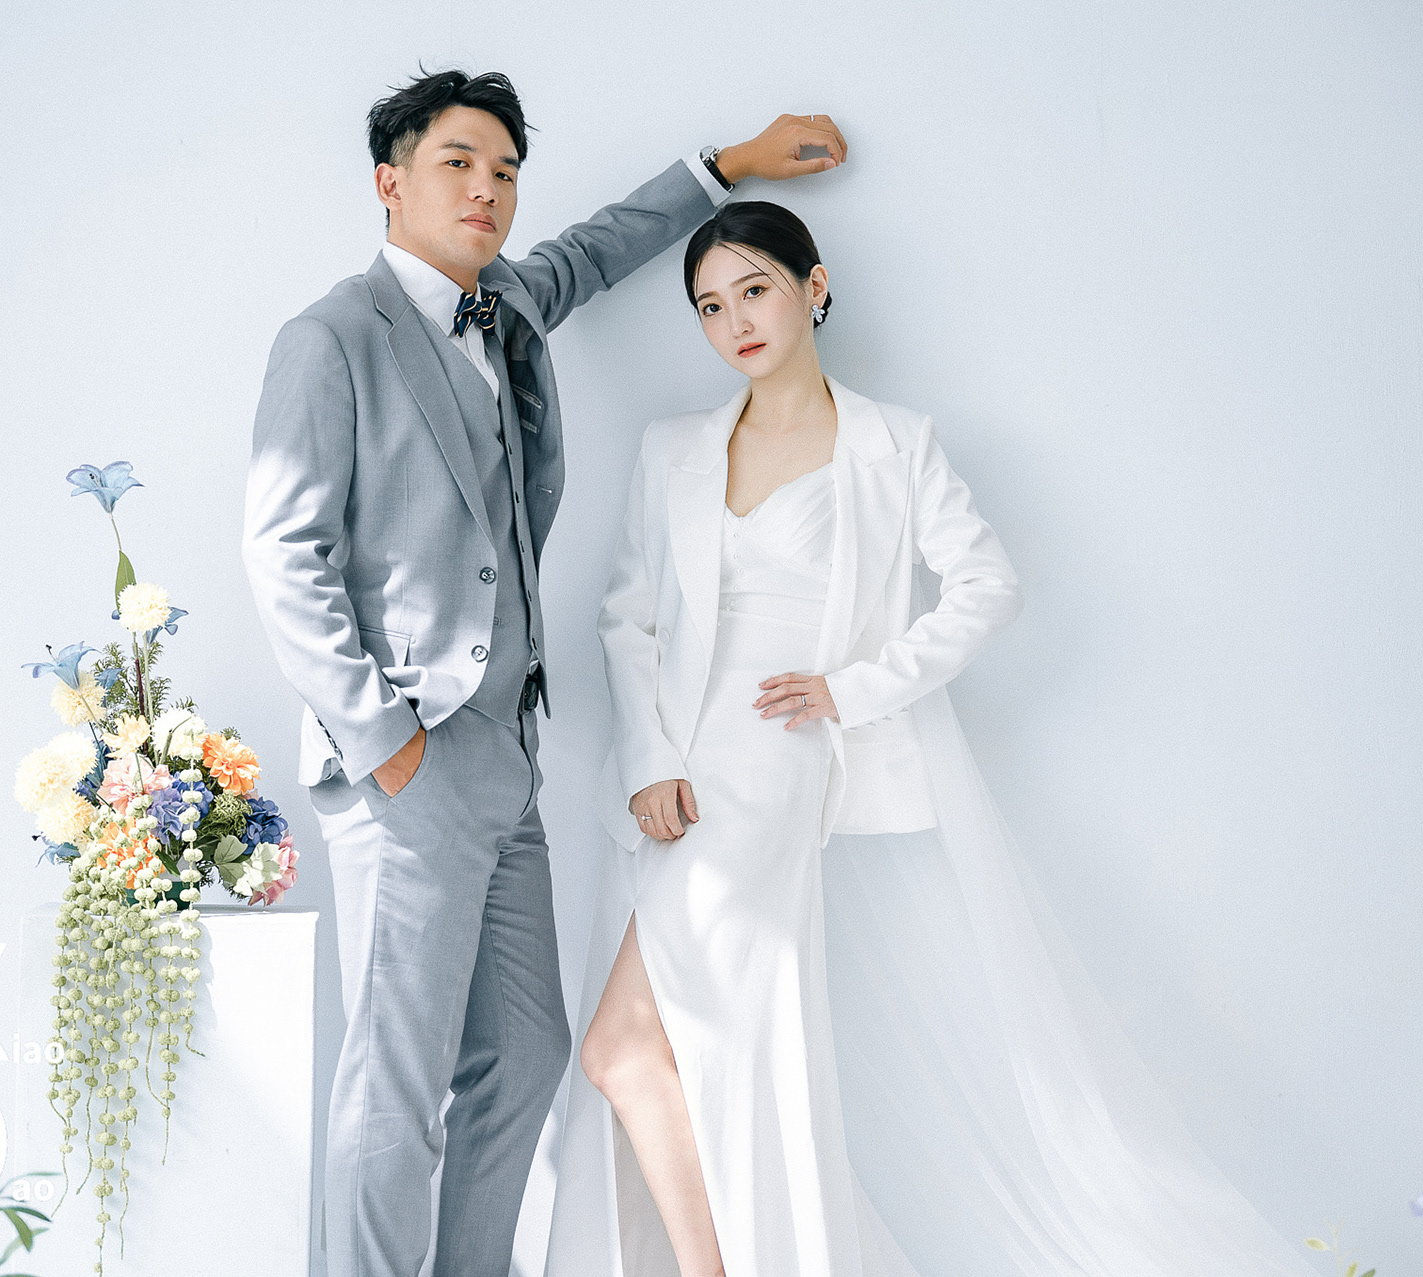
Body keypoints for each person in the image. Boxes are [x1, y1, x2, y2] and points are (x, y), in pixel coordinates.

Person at [544, 201, 1323, 1277]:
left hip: (773, 765)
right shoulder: (672, 447)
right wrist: (649, 760)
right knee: (658, 1045)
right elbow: (626, 617)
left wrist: (851, 689)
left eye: (755, 290)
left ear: (814, 286)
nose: (736, 322)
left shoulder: (891, 443)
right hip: (674, 771)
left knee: (646, 1042)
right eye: (711, 307)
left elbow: (988, 586)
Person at [241, 67, 849, 1277]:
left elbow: (597, 249)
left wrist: (732, 164)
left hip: (507, 757)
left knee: (522, 1056)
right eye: (458, 163)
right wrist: (386, 744)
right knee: (396, 1080)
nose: (487, 188)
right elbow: (282, 555)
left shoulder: (506, 300)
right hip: (408, 761)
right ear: (390, 181)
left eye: (505, 170)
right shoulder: (330, 338)